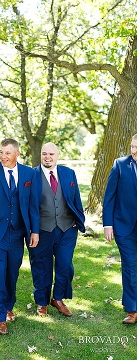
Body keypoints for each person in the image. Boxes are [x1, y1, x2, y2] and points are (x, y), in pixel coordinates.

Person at [0, 138, 39, 335]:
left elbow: (33, 205)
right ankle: (0, 317)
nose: (3, 156)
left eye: (7, 153)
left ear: (17, 154)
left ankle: (9, 304)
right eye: (1, 152)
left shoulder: (29, 173)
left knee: (12, 273)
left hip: (19, 233)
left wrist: (34, 230)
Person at [29, 143, 85, 318]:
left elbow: (76, 199)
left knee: (65, 265)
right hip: (41, 230)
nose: (47, 157)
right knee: (41, 266)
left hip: (67, 229)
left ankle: (58, 298)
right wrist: (32, 230)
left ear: (57, 155)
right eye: (44, 153)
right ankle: (42, 302)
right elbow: (28, 205)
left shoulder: (69, 173)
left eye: (51, 154)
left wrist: (78, 220)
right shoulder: (31, 175)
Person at [103, 134, 137, 325]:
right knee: (130, 266)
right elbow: (109, 196)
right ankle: (132, 310)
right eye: (132, 147)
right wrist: (108, 224)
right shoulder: (120, 164)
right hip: (124, 226)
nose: (134, 151)